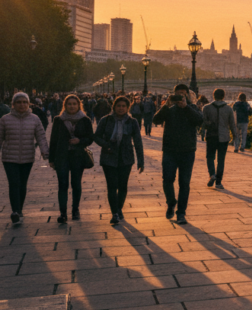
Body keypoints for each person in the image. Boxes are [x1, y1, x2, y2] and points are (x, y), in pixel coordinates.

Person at [153, 84, 204, 225]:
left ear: (187, 95)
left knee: (184, 183)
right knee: (167, 179)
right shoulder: (169, 109)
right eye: (178, 94)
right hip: (169, 150)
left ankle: (181, 213)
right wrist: (165, 106)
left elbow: (200, 121)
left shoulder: (192, 108)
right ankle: (171, 202)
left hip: (187, 151)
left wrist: (185, 107)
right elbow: (155, 120)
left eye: (183, 94)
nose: (181, 97)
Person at [93, 96, 145, 225]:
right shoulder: (105, 120)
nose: (121, 108)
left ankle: (119, 208)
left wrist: (141, 160)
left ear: (127, 108)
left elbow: (138, 141)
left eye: (123, 106)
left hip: (126, 157)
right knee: (112, 186)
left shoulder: (132, 122)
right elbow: (96, 137)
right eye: (118, 106)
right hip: (109, 156)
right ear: (114, 107)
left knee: (122, 186)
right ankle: (114, 213)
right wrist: (106, 145)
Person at [0, 93, 49, 225]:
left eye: (24, 102)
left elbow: (41, 136)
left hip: (27, 157)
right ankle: (15, 211)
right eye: (19, 102)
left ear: (28, 104)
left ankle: (19, 209)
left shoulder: (34, 119)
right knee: (14, 183)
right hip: (9, 157)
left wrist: (45, 152)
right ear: (13, 104)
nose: (22, 105)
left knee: (22, 184)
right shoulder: (5, 119)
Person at [48, 95, 94, 223]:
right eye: (69, 104)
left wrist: (80, 141)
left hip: (77, 156)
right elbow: (53, 140)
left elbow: (90, 138)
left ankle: (75, 210)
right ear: (65, 105)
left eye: (74, 104)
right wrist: (51, 159)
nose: (72, 106)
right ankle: (63, 213)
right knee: (62, 185)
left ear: (79, 105)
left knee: (76, 184)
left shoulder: (85, 120)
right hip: (61, 156)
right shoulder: (58, 120)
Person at [203, 88, 237, 190]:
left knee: (210, 157)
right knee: (221, 160)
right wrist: (235, 136)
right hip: (224, 137)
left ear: (213, 96)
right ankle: (218, 182)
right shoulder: (228, 109)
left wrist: (204, 130)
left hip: (211, 136)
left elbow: (203, 122)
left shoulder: (206, 108)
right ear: (223, 96)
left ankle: (212, 174)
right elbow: (232, 124)